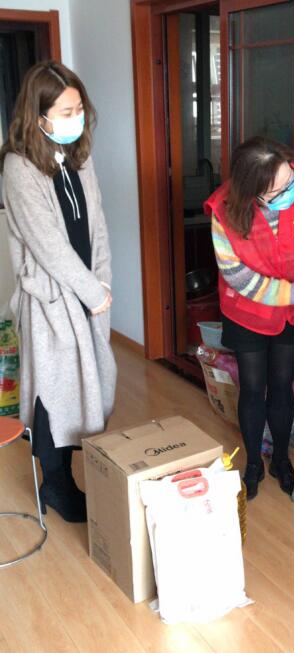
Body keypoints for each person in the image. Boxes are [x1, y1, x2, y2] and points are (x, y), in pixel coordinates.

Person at [0, 61, 116, 522]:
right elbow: (48, 244)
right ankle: (56, 483)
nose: (76, 118)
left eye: (79, 109)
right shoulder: (18, 167)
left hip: (88, 292)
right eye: (66, 112)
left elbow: (98, 226)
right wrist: (91, 291)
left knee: (89, 388)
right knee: (54, 393)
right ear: (39, 116)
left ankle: (72, 473)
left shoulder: (79, 158)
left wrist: (102, 282)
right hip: (50, 299)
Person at [205, 136, 294, 499]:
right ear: (253, 194)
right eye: (278, 190)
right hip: (247, 310)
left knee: (282, 384)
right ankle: (252, 464)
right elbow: (236, 276)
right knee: (252, 387)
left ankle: (281, 460)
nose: (290, 189)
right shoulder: (224, 211)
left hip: (292, 311)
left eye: (288, 178)